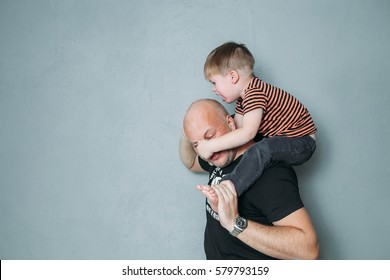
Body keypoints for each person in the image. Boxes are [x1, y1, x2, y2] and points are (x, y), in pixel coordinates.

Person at [179, 98, 319, 260]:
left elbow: (309, 250)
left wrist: (234, 223)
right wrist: (187, 133)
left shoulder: (269, 172)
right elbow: (190, 162)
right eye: (197, 144)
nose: (206, 150)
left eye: (210, 136)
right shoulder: (216, 155)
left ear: (230, 123)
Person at [196, 42, 317, 198]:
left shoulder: (255, 93)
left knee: (261, 149)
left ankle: (230, 188)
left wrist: (211, 145)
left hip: (301, 142)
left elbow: (247, 133)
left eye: (214, 82)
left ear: (233, 76)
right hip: (286, 138)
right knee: (254, 145)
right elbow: (237, 129)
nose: (214, 89)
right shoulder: (243, 98)